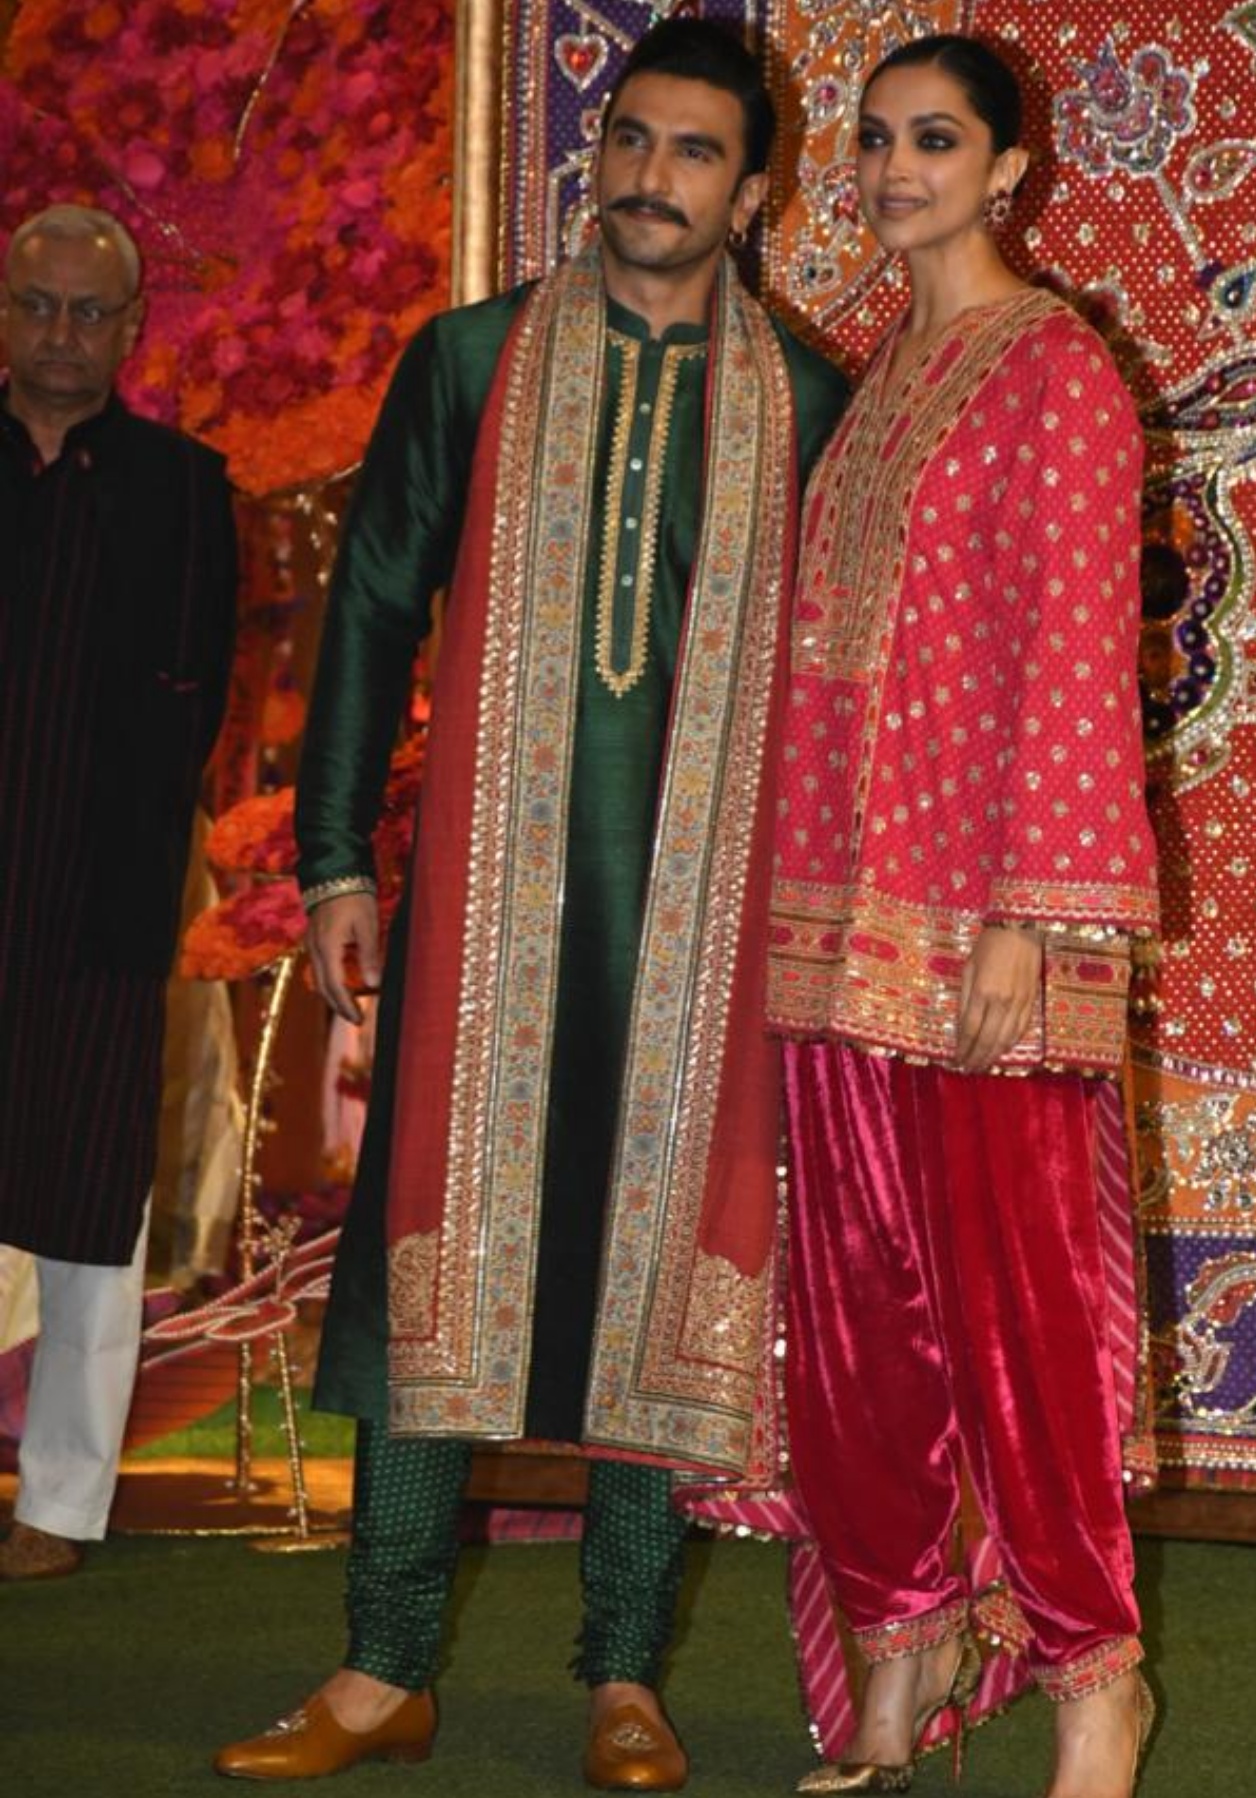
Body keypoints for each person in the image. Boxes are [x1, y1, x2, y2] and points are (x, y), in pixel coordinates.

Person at [214, 19, 847, 1789]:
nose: (651, 175)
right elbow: (370, 617)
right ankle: (381, 1665)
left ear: (755, 186)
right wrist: (336, 854)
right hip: (481, 924)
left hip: (699, 932)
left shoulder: (805, 400)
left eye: (695, 152)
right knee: (436, 1272)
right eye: (630, 141)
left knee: (662, 1276)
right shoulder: (472, 359)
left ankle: (624, 1677)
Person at [767, 36, 1160, 1798]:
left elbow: (1077, 655)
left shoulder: (1056, 369)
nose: (894, 166)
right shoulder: (874, 383)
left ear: (1009, 168)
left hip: (985, 926)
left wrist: (1028, 914)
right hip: (834, 933)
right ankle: (898, 1643)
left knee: (1020, 1327)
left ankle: (1096, 1682)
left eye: (936, 140)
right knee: (856, 1327)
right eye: (875, 139)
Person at [0, 204, 237, 1579]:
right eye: (39, 305)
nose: (63, 335)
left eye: (92, 313)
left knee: (93, 1198)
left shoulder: (177, 486)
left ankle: (62, 1499)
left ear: (132, 330)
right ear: (6, 309)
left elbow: (190, 698)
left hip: (97, 886)